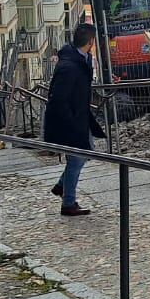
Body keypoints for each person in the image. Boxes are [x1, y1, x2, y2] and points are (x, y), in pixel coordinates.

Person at [44, 20, 106, 216]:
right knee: (77, 158)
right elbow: (58, 99)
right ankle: (68, 203)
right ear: (90, 42)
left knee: (87, 152)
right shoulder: (69, 67)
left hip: (80, 117)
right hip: (69, 122)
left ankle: (62, 186)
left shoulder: (82, 58)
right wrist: (70, 123)